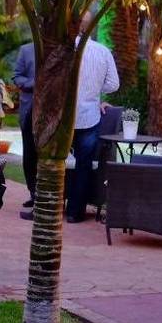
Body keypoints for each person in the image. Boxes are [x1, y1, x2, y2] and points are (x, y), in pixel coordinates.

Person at [66, 12, 119, 223]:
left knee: (53, 160)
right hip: (89, 115)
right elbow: (114, 84)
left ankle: (47, 206)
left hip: (63, 116)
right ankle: (75, 213)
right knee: (84, 164)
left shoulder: (65, 50)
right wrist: (95, 92)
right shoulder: (103, 52)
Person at [13, 42, 37, 212]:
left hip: (55, 110)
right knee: (29, 153)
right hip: (29, 108)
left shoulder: (63, 48)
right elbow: (17, 76)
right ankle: (33, 193)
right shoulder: (26, 49)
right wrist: (32, 83)